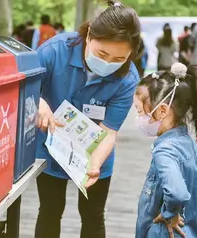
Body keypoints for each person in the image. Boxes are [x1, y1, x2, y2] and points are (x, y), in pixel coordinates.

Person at [34, 1, 141, 238]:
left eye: (118, 59)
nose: (108, 63)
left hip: (95, 152)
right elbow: (26, 90)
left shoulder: (128, 78)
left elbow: (109, 130)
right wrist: (39, 104)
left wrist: (93, 165)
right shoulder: (54, 51)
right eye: (102, 54)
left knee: (93, 216)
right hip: (50, 147)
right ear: (90, 33)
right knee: (50, 211)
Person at [134, 63, 197, 238]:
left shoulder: (164, 151)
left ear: (162, 110)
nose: (138, 118)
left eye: (140, 112)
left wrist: (169, 213)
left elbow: (177, 193)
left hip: (163, 232)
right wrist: (188, 177)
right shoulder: (184, 141)